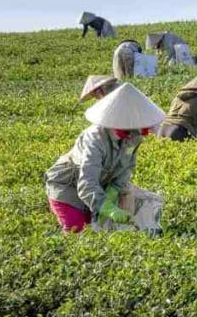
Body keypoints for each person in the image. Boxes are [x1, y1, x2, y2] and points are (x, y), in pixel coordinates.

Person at [44, 83, 165, 233]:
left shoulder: (134, 135)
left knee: (132, 212)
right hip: (68, 186)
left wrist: (114, 189)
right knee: (76, 228)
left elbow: (127, 166)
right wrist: (107, 207)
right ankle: (68, 209)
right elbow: (87, 182)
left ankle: (93, 208)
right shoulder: (94, 139)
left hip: (101, 185)